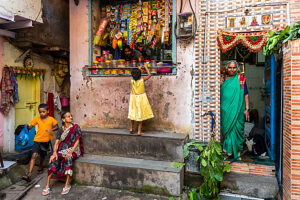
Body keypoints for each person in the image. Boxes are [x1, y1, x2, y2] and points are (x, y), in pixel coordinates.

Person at [42, 112, 83, 196]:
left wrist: (70, 152)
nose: (71, 117)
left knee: (68, 158)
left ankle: (67, 185)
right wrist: (54, 153)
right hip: (62, 150)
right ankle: (47, 185)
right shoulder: (61, 129)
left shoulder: (76, 127)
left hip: (74, 150)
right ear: (63, 120)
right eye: (68, 116)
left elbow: (77, 141)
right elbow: (56, 143)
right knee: (53, 159)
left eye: (71, 116)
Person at [220, 61, 250, 160]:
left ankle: (236, 151)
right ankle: (227, 152)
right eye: (230, 68)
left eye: (234, 68)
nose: (232, 70)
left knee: (236, 130)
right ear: (226, 68)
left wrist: (247, 109)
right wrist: (219, 84)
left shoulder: (240, 79)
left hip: (238, 110)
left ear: (237, 68)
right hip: (225, 110)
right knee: (227, 130)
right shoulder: (222, 78)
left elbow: (245, 94)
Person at [22, 104, 58, 182]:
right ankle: (29, 174)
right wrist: (27, 126)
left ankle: (40, 166)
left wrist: (51, 130)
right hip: (37, 139)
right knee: (34, 155)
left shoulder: (51, 119)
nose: (42, 113)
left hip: (46, 141)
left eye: (43, 112)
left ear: (47, 111)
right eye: (40, 112)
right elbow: (30, 127)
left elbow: (57, 126)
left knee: (42, 155)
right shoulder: (37, 119)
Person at [128, 62, 154, 135]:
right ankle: (139, 131)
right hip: (141, 98)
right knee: (140, 114)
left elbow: (135, 75)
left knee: (133, 113)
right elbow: (149, 75)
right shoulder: (142, 80)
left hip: (133, 98)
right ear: (140, 75)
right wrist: (145, 67)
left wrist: (138, 69)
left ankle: (131, 128)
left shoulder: (132, 81)